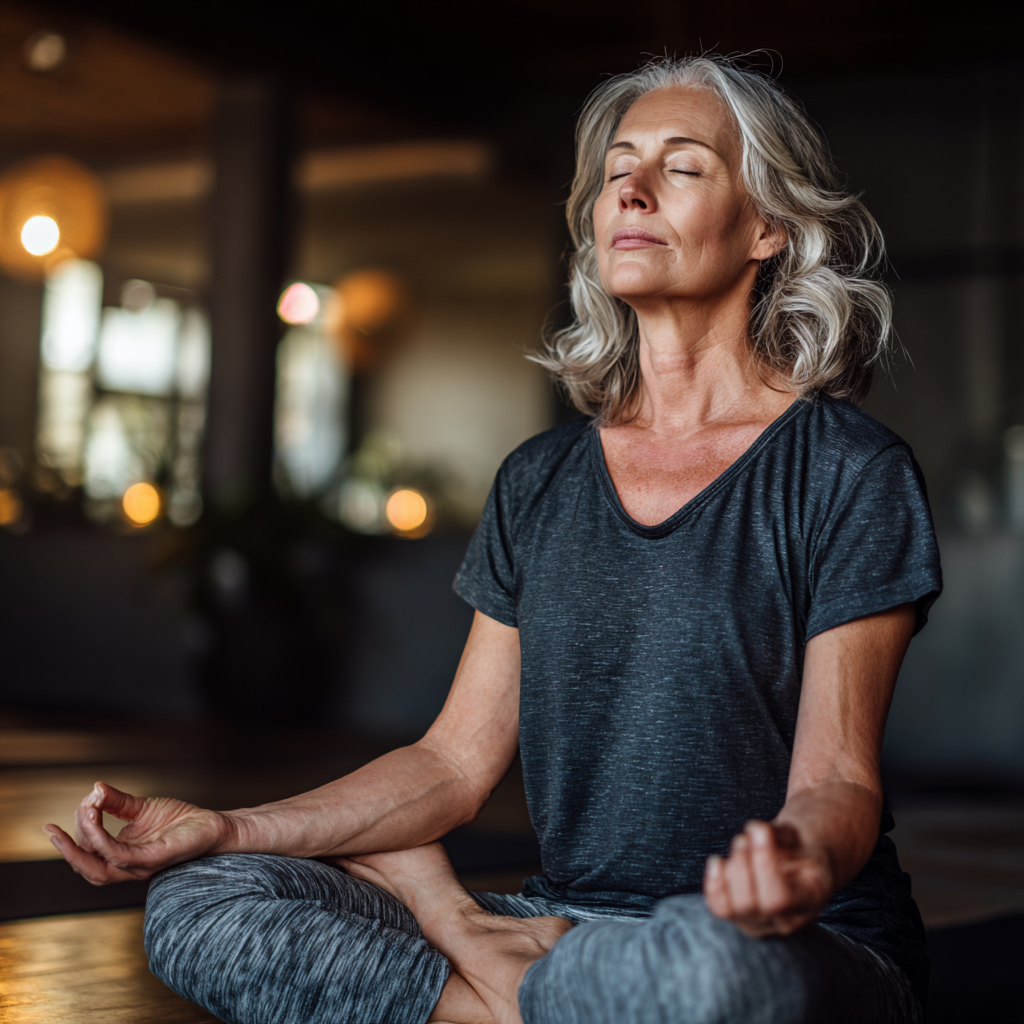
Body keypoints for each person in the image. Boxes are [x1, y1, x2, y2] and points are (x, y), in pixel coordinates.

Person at [44, 55, 941, 1024]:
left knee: (710, 980)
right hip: (563, 923)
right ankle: (518, 973)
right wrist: (226, 827)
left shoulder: (847, 471)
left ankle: (488, 970)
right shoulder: (540, 478)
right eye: (614, 170)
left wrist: (795, 860)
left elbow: (838, 780)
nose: (629, 188)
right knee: (201, 901)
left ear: (768, 225)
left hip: (774, 943)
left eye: (680, 166)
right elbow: (451, 765)